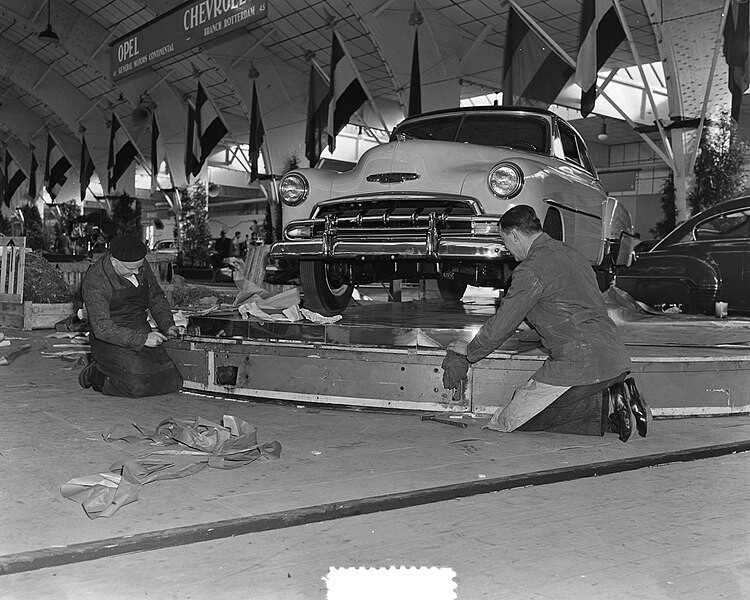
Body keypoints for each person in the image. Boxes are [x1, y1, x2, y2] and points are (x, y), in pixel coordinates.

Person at [445, 205, 651, 441]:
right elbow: (569, 305)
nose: (507, 250)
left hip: (581, 362)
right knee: (537, 405)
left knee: (510, 419)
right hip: (614, 356)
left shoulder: (531, 269)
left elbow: (503, 321)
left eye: (505, 241)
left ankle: (612, 405)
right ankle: (618, 397)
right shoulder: (571, 254)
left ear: (514, 235)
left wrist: (471, 350)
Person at [78, 234, 183, 397]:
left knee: (173, 381)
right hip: (110, 337)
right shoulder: (95, 280)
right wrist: (142, 340)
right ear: (113, 261)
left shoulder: (139, 265)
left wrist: (167, 325)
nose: (137, 272)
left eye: (139, 267)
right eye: (130, 269)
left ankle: (112, 368)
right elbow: (102, 328)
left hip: (139, 328)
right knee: (136, 386)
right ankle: (96, 374)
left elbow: (155, 296)